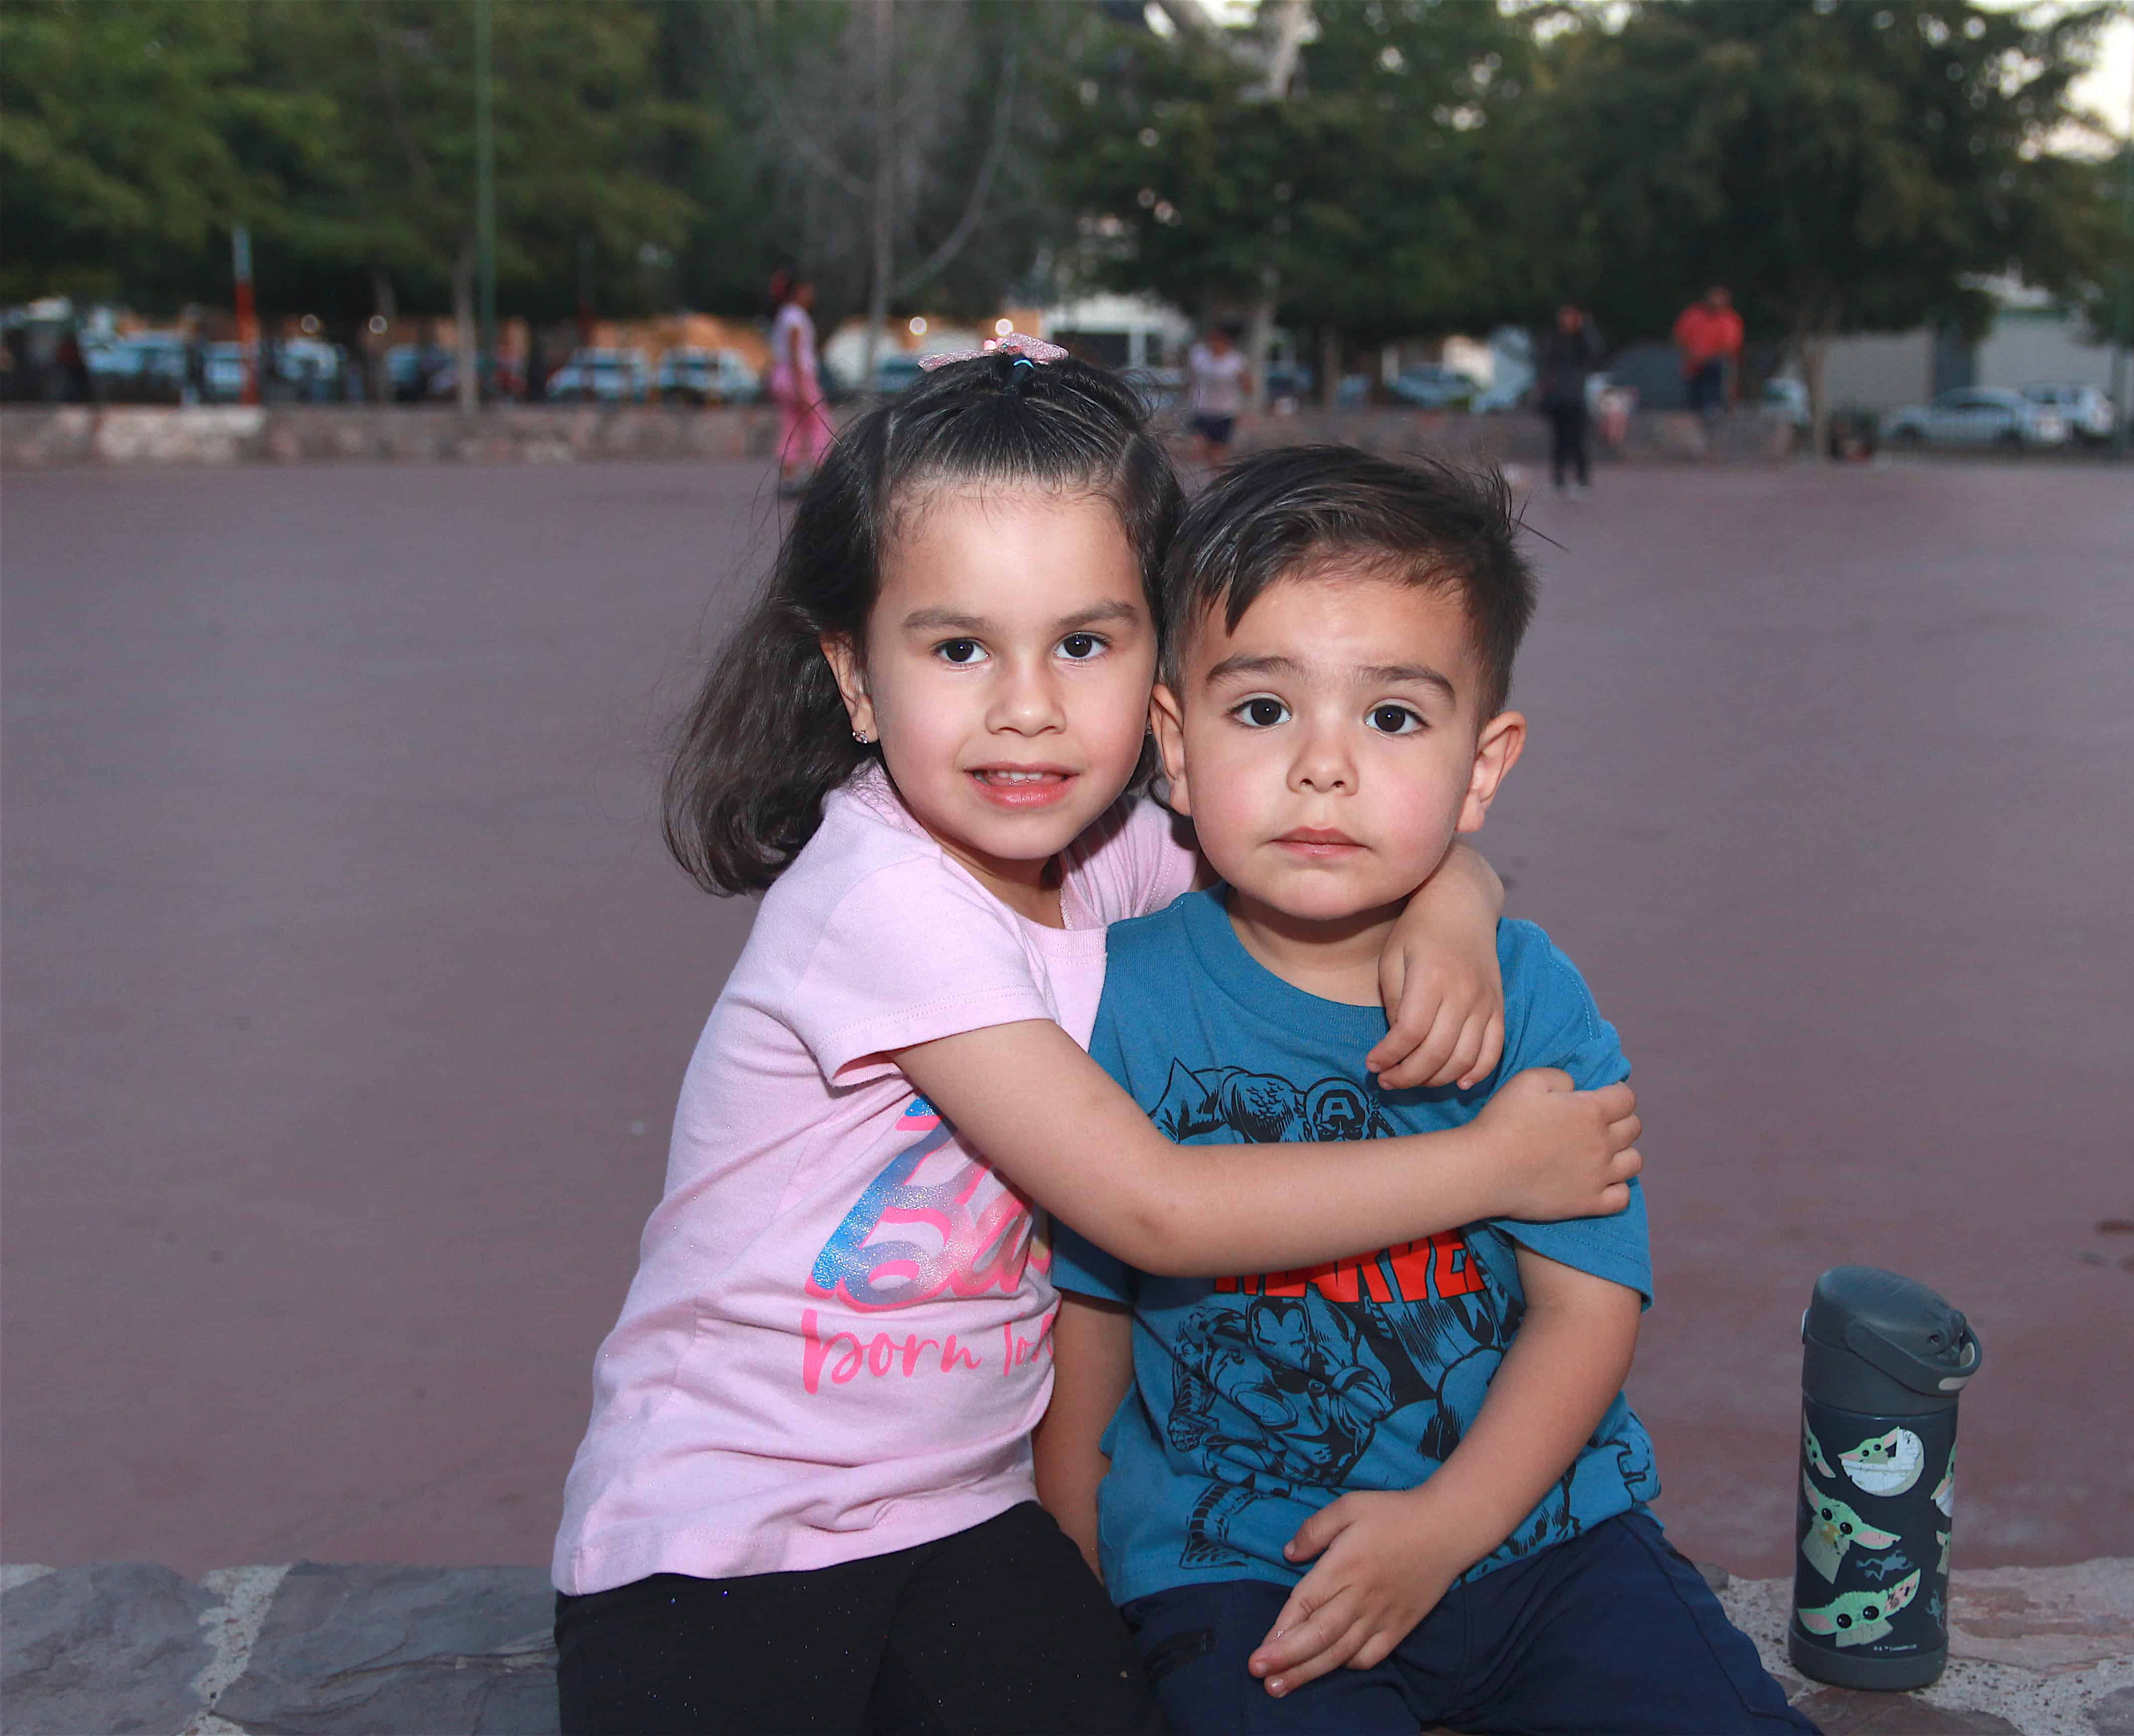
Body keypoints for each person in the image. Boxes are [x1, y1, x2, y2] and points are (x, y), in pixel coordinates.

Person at [550, 345, 1645, 1736]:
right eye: (960, 648)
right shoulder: (882, 900)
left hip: (958, 1511)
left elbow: (1327, 848)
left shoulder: (1111, 849)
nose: (1028, 707)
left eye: (1084, 642)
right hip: (722, 1520)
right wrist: (1494, 1166)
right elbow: (1155, 1205)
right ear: (857, 676)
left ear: (1160, 668)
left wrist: (1457, 896)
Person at [1039, 447, 1816, 1735]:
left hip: (1542, 1536)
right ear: (1172, 744)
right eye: (1261, 709)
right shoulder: (1115, 997)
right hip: (1244, 1571)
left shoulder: (1529, 993)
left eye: (1392, 716)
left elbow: (1585, 1306)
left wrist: (1445, 1528)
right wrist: (1072, 1578)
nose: (1323, 767)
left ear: (1481, 763)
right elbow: (1090, 1327)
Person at [768, 269, 833, 496]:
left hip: (781, 376)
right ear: (798, 292)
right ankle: (820, 473)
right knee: (819, 423)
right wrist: (802, 387)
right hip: (798, 376)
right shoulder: (797, 318)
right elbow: (796, 354)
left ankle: (789, 478)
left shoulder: (784, 315)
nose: (811, 294)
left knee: (791, 426)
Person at [1535, 304, 1605, 497]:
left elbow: (1595, 352)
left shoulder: (1583, 340)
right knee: (1559, 439)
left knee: (1577, 439)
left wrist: (1587, 329)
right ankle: (1558, 478)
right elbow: (1543, 364)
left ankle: (1582, 479)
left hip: (1576, 397)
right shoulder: (1553, 339)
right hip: (1557, 397)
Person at [1672, 285, 1743, 417]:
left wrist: (1706, 356)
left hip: (1715, 365)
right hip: (1693, 364)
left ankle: (1715, 408)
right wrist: (1692, 354)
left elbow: (1729, 348)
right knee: (1694, 399)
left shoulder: (1729, 320)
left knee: (1719, 369)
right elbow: (1680, 338)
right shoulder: (1693, 315)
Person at [1185, 324, 1249, 467]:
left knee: (1218, 456)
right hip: (1202, 410)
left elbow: (1248, 388)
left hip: (1225, 413)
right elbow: (1190, 379)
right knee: (1197, 449)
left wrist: (1244, 379)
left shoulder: (1236, 362)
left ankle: (1217, 483)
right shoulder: (1199, 356)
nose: (1214, 344)